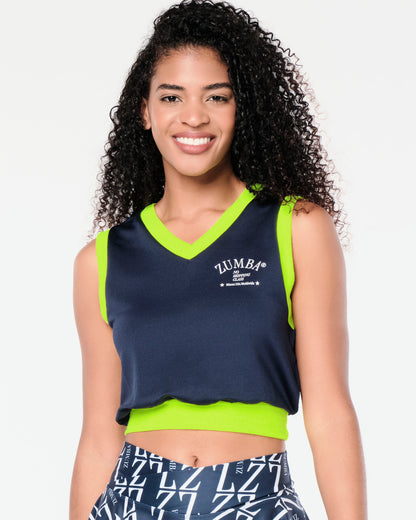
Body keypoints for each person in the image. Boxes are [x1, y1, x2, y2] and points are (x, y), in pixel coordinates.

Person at [69, 1, 367, 519]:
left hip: (258, 501)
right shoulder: (102, 259)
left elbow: (330, 413)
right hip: (131, 503)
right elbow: (98, 437)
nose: (193, 116)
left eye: (217, 96)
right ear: (145, 111)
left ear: (241, 107)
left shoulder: (295, 228)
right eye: (171, 96)